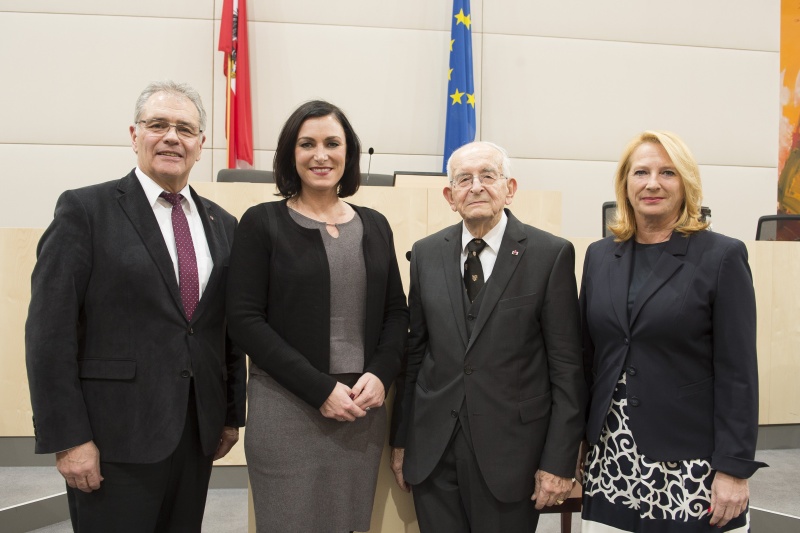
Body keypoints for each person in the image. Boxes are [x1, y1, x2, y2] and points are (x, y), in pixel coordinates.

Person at [25, 80, 246, 532]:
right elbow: (49, 334)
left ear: (201, 145)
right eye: (158, 125)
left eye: (185, 129)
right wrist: (69, 439)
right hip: (112, 439)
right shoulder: (85, 210)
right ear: (134, 134)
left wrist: (228, 415)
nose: (171, 137)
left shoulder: (223, 225)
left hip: (195, 435)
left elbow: (224, 329)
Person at [226, 100, 409, 533]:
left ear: (349, 153)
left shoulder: (375, 225)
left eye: (332, 143)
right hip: (287, 409)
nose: (320, 155)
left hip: (360, 413)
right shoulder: (261, 222)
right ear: (291, 153)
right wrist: (319, 388)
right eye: (307, 144)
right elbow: (245, 321)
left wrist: (381, 375)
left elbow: (396, 312)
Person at [390, 141, 587, 532]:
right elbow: (415, 356)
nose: (476, 187)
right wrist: (401, 440)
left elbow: (567, 369)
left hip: (512, 456)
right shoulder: (426, 254)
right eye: (464, 179)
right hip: (434, 451)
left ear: (509, 188)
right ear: (450, 196)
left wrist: (559, 461)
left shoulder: (550, 255)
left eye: (488, 176)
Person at [579, 131, 768, 532]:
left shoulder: (721, 256)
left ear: (686, 185)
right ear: (625, 185)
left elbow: (738, 373)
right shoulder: (599, 256)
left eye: (668, 172)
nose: (652, 183)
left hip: (692, 466)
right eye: (640, 172)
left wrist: (734, 469)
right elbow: (587, 357)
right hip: (613, 457)